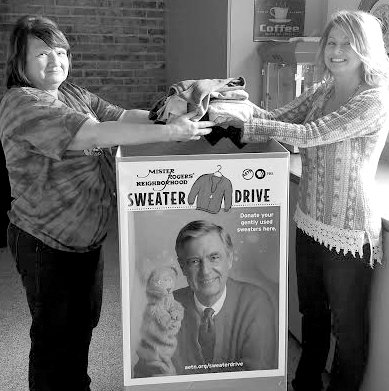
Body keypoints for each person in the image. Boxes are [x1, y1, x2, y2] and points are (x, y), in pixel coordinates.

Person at [0, 15, 213, 391]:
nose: (57, 61)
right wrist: (168, 132)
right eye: (44, 54)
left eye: (62, 52)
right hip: (45, 241)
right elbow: (93, 132)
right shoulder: (22, 103)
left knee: (81, 326)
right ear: (20, 61)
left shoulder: (72, 93)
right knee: (54, 338)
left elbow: (120, 115)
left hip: (86, 240)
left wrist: (173, 116)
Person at [235, 10, 389, 391]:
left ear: (366, 49)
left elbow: (311, 133)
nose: (336, 51)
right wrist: (228, 101)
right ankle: (304, 385)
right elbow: (275, 116)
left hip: (348, 229)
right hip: (308, 219)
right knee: (312, 314)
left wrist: (243, 122)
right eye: (331, 43)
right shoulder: (323, 89)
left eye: (346, 44)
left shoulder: (374, 99)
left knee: (348, 330)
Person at [172, 220, 276, 375]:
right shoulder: (167, 306)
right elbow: (152, 372)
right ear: (183, 268)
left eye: (214, 257)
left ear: (229, 259)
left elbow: (257, 378)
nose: (205, 271)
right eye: (194, 261)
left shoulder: (256, 302)